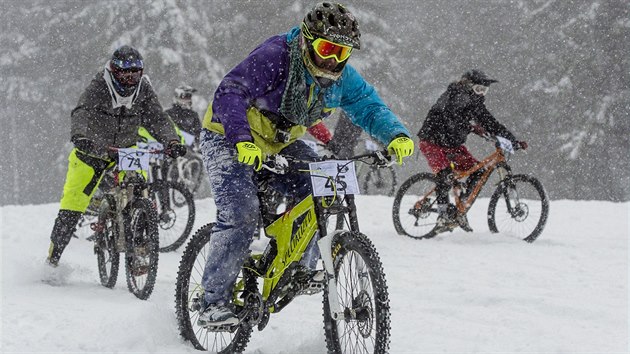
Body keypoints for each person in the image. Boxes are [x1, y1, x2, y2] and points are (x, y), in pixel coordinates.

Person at [197, 2, 414, 326]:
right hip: (228, 136)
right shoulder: (276, 56)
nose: (332, 60)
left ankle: (299, 265)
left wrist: (396, 135)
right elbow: (231, 92)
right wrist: (242, 139)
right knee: (242, 212)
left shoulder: (341, 80)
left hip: (278, 142)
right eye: (326, 48)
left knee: (325, 187)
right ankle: (212, 301)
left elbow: (368, 106)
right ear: (306, 41)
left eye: (341, 53)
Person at [46, 45, 187, 267]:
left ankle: (139, 251)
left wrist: (171, 141)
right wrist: (80, 135)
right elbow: (82, 111)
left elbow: (157, 119)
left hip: (127, 150)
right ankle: (53, 259)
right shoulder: (99, 85)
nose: (130, 79)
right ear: (114, 71)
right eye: (125, 74)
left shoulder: (144, 89)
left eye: (135, 74)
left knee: (139, 191)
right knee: (73, 205)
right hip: (92, 151)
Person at [417, 69, 528, 231]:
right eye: (478, 89)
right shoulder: (455, 95)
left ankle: (459, 211)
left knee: (477, 172)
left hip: (453, 146)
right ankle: (443, 215)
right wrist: (471, 127)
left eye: (484, 90)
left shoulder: (475, 104)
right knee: (445, 175)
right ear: (468, 86)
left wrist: (512, 140)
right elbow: (450, 116)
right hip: (432, 142)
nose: (481, 94)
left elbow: (490, 122)